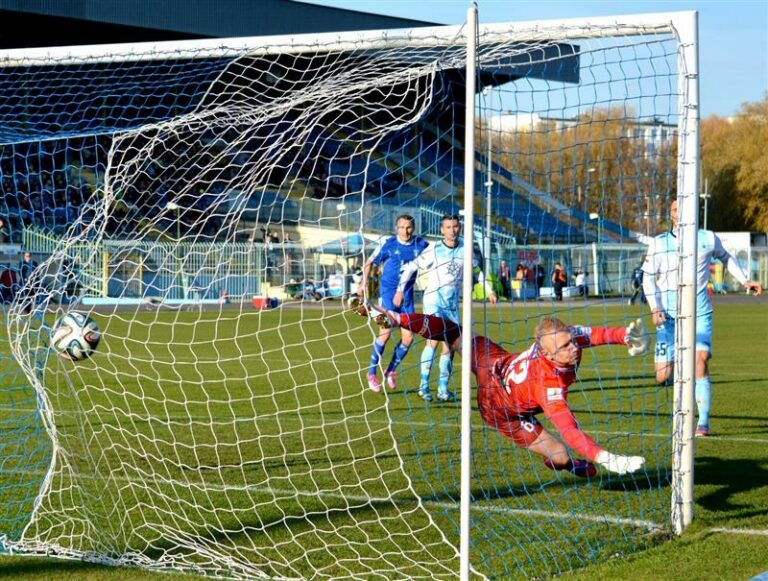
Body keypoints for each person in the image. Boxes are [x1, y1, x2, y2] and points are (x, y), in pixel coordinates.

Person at [372, 306, 649, 477]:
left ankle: (396, 318)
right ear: (544, 352)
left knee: (454, 333)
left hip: (497, 362)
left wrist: (625, 335)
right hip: (499, 408)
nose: (573, 348)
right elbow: (569, 430)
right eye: (564, 347)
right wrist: (605, 457)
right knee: (560, 454)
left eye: (570, 341)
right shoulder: (548, 386)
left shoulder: (569, 336)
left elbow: (597, 335)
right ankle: (396, 318)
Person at [642, 199, 762, 437]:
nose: (680, 213)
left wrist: (745, 280)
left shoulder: (708, 238)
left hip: (699, 312)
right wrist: (655, 307)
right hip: (668, 315)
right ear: (671, 214)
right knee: (662, 375)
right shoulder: (659, 243)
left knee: (701, 360)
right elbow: (647, 278)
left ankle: (703, 423)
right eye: (676, 209)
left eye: (684, 208)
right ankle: (684, 388)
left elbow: (726, 258)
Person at [395, 214, 497, 402]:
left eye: (455, 227)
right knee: (432, 341)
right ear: (442, 230)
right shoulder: (433, 249)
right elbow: (410, 267)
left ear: (460, 228)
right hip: (433, 300)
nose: (452, 230)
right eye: (448, 227)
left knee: (450, 345)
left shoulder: (466, 250)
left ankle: (443, 388)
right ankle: (423, 386)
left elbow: (477, 271)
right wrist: (400, 290)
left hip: (452, 303)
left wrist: (489, 290)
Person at [356, 214, 428, 392]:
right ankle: (371, 373)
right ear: (397, 228)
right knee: (385, 332)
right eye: (402, 227)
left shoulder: (421, 244)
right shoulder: (388, 244)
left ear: (414, 227)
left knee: (408, 338)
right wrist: (363, 283)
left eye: (409, 227)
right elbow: (369, 263)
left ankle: (390, 370)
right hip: (387, 295)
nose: (406, 230)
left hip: (407, 297)